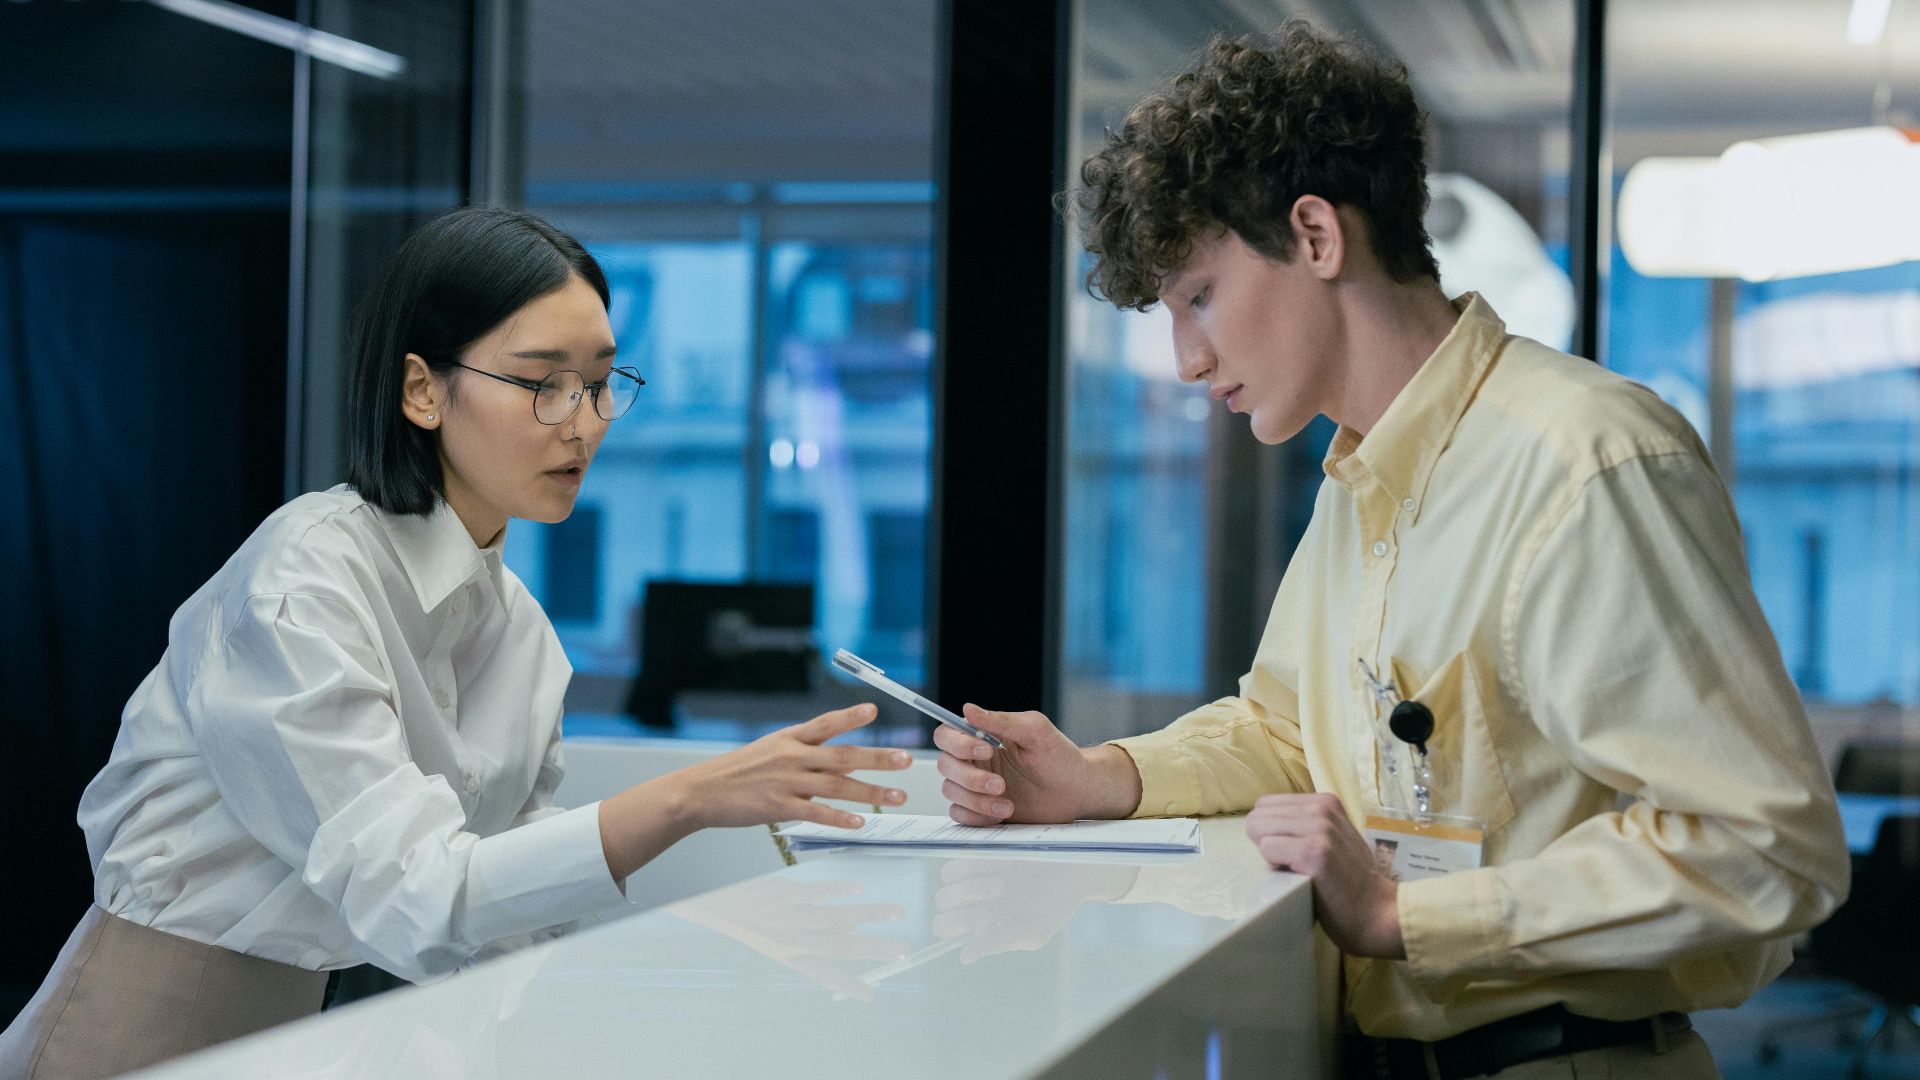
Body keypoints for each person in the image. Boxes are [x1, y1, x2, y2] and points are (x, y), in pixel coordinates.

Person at [933, 23, 1849, 1079]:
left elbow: (1766, 846)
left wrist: (1410, 916)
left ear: (1317, 235)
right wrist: (1104, 778)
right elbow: (1288, 731)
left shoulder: (1584, 463)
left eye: (1198, 297)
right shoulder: (1362, 481)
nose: (1186, 361)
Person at [0, 207, 908, 1080]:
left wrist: (725, 936)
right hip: (157, 1023)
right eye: (543, 382)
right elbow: (418, 895)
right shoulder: (303, 581)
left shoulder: (520, 628)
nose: (583, 421)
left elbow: (509, 914)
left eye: (599, 382)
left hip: (343, 1032)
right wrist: (686, 799)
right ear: (423, 390)